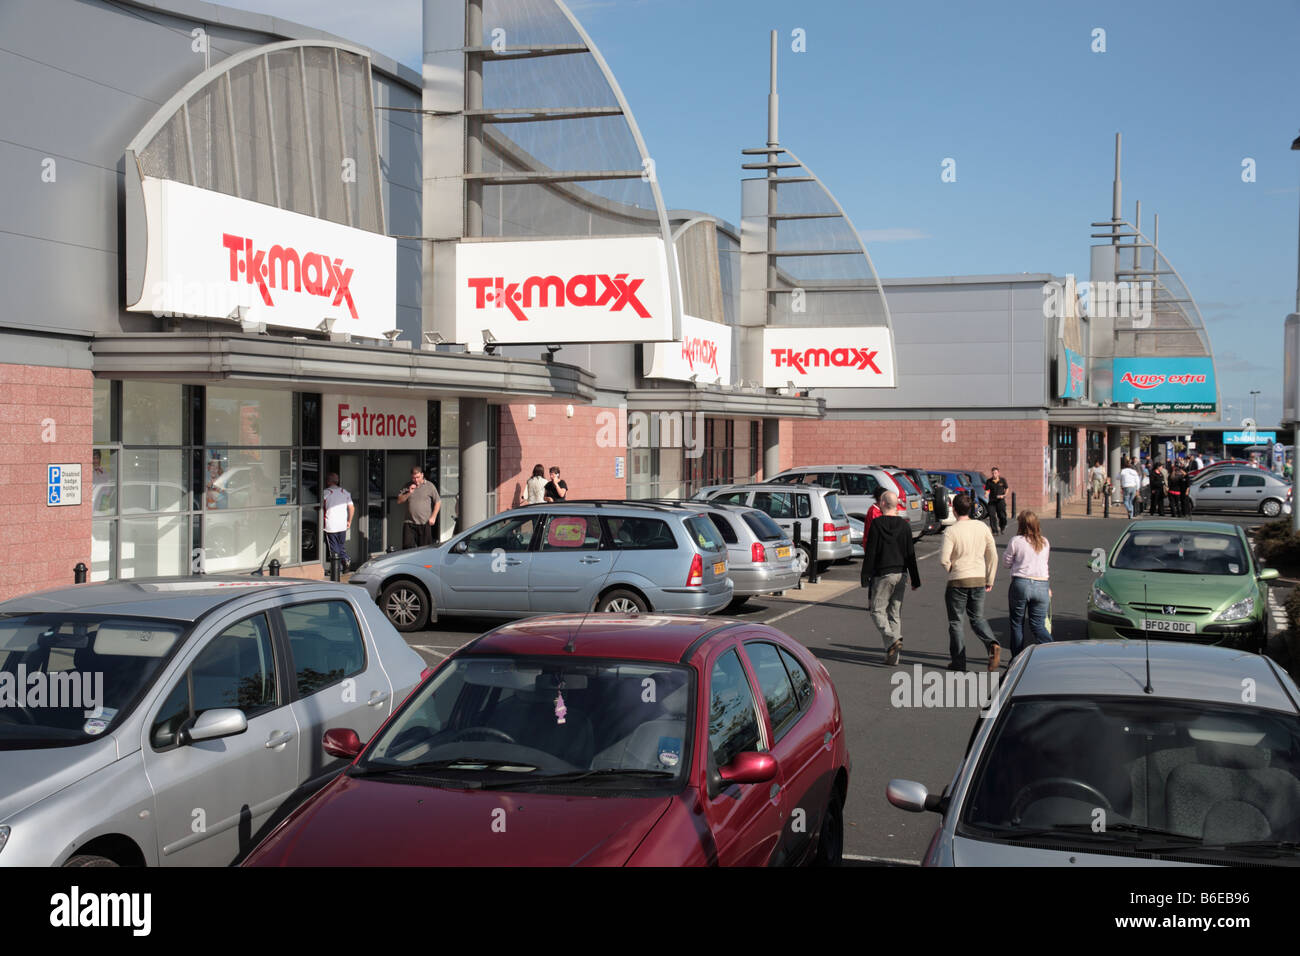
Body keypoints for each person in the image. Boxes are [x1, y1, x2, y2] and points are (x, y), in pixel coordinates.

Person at [940, 493, 1001, 672]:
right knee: (977, 618)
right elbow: (993, 555)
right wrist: (989, 578)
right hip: (978, 577)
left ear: (954, 509)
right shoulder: (982, 527)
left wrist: (953, 569)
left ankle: (958, 661)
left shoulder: (951, 531)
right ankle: (992, 643)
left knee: (956, 622)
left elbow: (944, 559)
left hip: (958, 580)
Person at [859, 491, 921, 666]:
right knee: (894, 614)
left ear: (883, 504)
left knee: (877, 611)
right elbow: (910, 554)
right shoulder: (904, 525)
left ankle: (892, 638)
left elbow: (871, 552)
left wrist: (865, 576)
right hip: (901, 573)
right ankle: (893, 656)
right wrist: (915, 579)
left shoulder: (877, 525)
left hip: (883, 573)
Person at [1003, 510, 1052, 660]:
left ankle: (1017, 658)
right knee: (1038, 624)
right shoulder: (1044, 542)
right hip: (1042, 584)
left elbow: (1006, 563)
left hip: (1021, 583)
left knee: (1017, 623)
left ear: (1021, 524)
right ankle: (1051, 651)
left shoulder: (1016, 541)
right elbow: (1045, 564)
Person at [397, 465, 441, 549]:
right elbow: (399, 500)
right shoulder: (408, 485)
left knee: (425, 550)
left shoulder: (429, 486)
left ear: (422, 475)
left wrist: (433, 517)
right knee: (407, 549)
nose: (416, 480)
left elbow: (438, 502)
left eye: (418, 477)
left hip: (424, 523)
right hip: (409, 523)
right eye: (414, 478)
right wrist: (409, 493)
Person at [321, 471, 355, 573]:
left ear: (328, 482)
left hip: (330, 525)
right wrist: (349, 521)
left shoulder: (326, 493)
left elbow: (320, 506)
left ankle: (336, 569)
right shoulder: (345, 492)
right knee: (341, 547)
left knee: (334, 549)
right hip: (342, 525)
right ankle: (346, 560)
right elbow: (352, 508)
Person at [983, 467, 1009, 534]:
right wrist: (986, 494)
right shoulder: (989, 481)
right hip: (992, 501)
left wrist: (1004, 495)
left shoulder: (1002, 480)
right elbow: (987, 490)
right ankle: (995, 531)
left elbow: (1006, 488)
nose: (994, 474)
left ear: (998, 473)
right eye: (993, 473)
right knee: (992, 515)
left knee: (1002, 516)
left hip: (1000, 501)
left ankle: (1002, 527)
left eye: (995, 473)